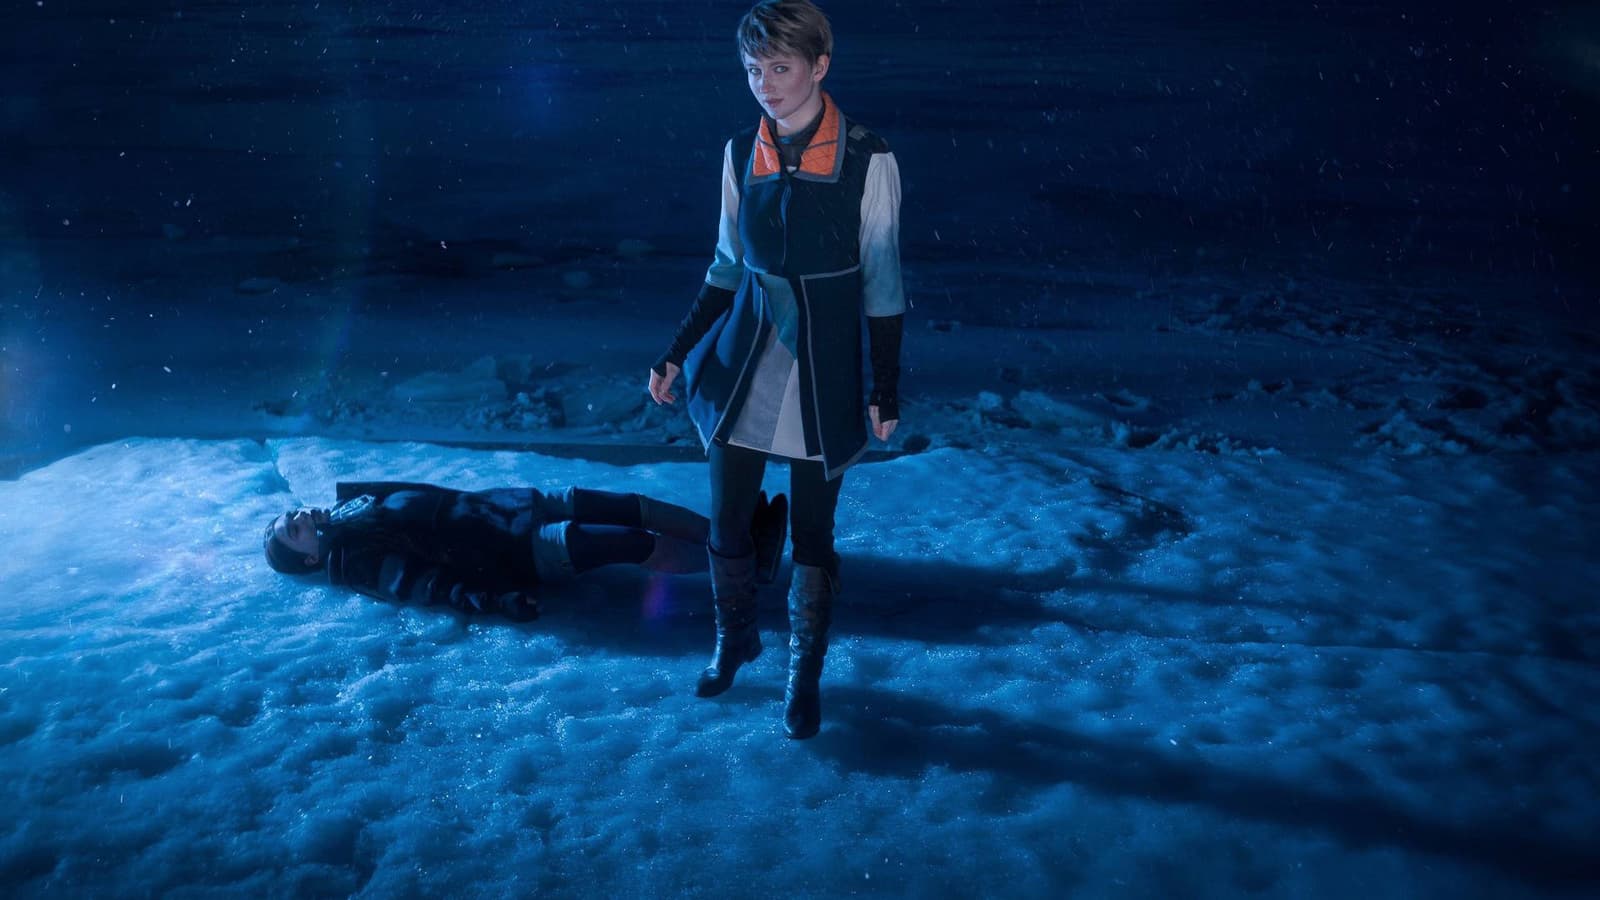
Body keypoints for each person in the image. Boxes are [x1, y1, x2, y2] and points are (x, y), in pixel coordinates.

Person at [647, 0, 905, 739]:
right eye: (754, 70)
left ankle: (804, 677)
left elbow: (883, 283)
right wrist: (675, 351)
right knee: (729, 520)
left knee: (813, 538)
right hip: (741, 368)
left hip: (825, 372)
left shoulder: (869, 158)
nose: (765, 84)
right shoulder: (740, 153)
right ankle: (735, 639)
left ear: (820, 66)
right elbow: (726, 268)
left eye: (780, 68)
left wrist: (885, 387)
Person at [263, 481, 787, 620]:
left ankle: (736, 539)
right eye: (296, 530)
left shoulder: (350, 507)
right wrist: (495, 600)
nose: (302, 517)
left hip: (515, 506)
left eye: (294, 515)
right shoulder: (355, 560)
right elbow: (427, 587)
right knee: (634, 543)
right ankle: (744, 565)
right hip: (517, 548)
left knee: (634, 507)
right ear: (309, 559)